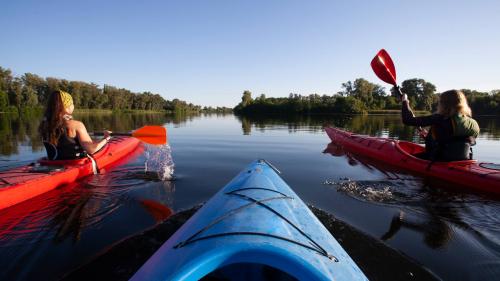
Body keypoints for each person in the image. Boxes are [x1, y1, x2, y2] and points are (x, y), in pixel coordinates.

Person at [396, 88, 480, 161]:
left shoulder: (440, 118)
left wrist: (405, 101)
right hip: (464, 159)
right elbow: (456, 141)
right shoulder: (473, 123)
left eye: (440, 102)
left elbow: (408, 120)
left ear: (444, 104)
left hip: (439, 160)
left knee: (400, 160)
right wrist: (430, 137)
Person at [38, 90, 112, 160]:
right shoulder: (76, 125)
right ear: (66, 107)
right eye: (71, 103)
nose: (73, 105)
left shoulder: (44, 125)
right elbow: (91, 149)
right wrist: (105, 139)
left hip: (50, 164)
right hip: (73, 164)